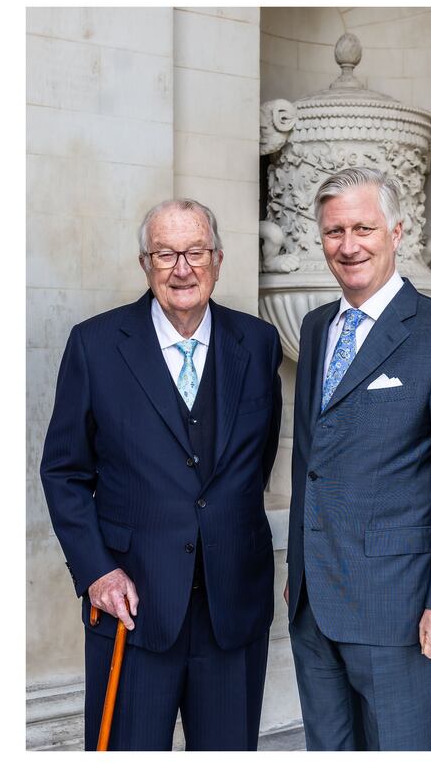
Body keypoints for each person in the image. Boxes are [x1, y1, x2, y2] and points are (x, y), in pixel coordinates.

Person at [40, 198, 282, 751]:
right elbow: (63, 472)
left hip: (233, 606)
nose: (181, 267)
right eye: (165, 253)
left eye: (195, 251)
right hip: (131, 604)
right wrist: (98, 572)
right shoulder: (95, 345)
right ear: (144, 264)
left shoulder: (260, 343)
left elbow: (258, 458)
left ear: (218, 259)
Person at [285, 167, 431, 751]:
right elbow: (311, 459)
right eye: (333, 232)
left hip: (397, 607)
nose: (348, 246)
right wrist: (295, 574)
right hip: (313, 603)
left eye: (363, 228)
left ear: (397, 232)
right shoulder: (317, 325)